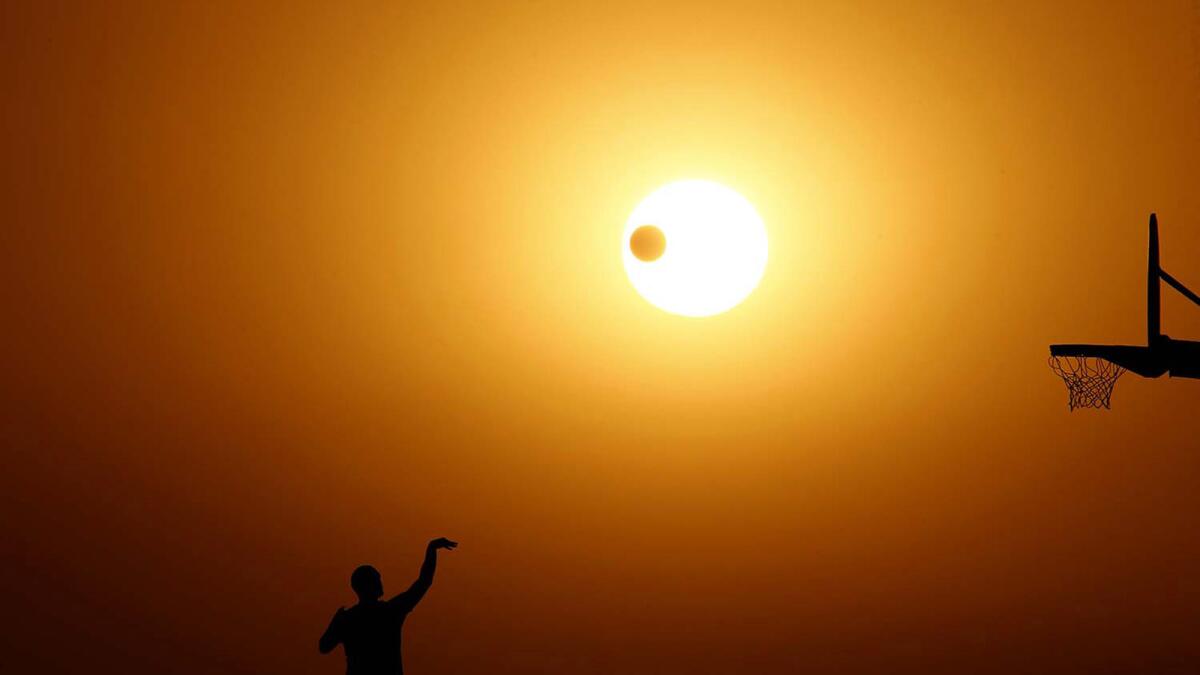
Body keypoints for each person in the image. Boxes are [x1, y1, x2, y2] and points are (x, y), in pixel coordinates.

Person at [320, 538, 458, 675]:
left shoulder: (347, 618)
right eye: (377, 579)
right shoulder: (390, 611)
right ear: (373, 584)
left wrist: (335, 622)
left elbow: (324, 646)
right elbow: (423, 582)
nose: (380, 582)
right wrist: (431, 550)